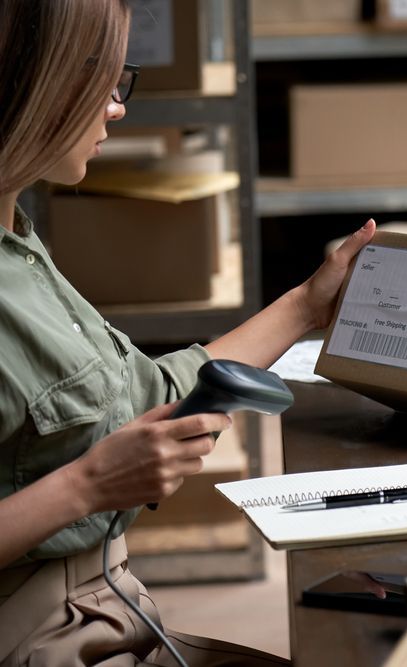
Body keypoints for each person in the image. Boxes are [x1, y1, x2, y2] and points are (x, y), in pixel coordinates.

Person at [0, 1, 377, 664]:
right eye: (99, 82)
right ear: (30, 81)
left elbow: (150, 392)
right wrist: (86, 484)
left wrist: (308, 306)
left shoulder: (19, 242)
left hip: (108, 606)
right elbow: (99, 459)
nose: (116, 107)